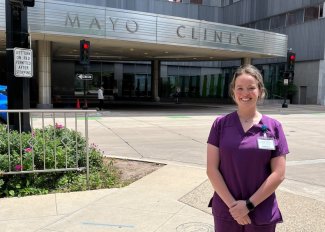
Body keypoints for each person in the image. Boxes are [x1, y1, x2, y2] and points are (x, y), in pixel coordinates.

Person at [206, 64, 289, 232]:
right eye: (240, 88)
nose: (245, 93)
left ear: (260, 90)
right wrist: (234, 207)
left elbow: (279, 174)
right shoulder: (220, 125)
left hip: (261, 210)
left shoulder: (274, 127)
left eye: (251, 88)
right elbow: (211, 169)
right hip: (227, 209)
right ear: (233, 91)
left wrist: (249, 205)